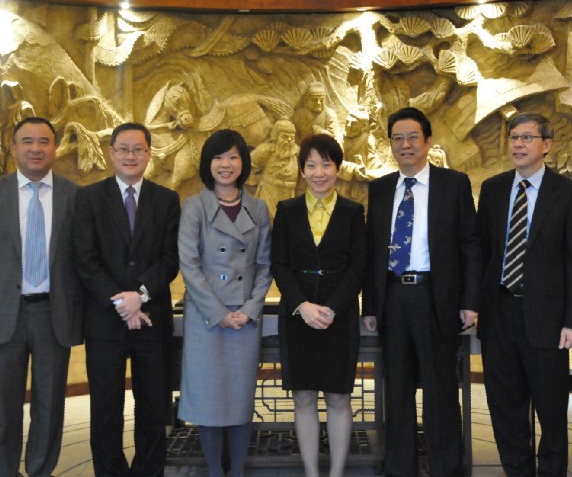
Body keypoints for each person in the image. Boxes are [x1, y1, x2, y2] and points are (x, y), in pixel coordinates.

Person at [362, 107, 481, 477]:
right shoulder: (381, 189)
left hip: (436, 297)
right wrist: (371, 306)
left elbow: (471, 245)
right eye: (397, 138)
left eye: (413, 137)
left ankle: (446, 468)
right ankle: (400, 469)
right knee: (396, 388)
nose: (405, 144)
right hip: (393, 298)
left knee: (440, 388)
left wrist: (470, 301)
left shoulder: (453, 184)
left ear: (428, 141)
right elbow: (372, 250)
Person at [0, 116, 82, 477]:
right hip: (4, 314)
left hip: (53, 314)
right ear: (13, 147)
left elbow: (84, 260)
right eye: (27, 141)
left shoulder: (74, 195)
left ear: (55, 148)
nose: (35, 148)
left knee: (50, 403)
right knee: (5, 406)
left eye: (44, 141)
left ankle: (40, 470)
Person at [475, 113, 572, 476]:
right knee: (505, 409)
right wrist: (473, 305)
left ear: (547, 145)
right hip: (499, 315)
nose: (518, 144)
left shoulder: (569, 194)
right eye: (514, 137)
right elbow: (482, 253)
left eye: (527, 137)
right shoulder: (492, 190)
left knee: (551, 411)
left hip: (548, 320)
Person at [73, 122, 180, 477]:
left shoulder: (167, 200)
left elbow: (170, 259)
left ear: (149, 154)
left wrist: (141, 296)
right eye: (123, 149)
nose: (130, 155)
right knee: (106, 408)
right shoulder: (88, 198)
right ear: (111, 153)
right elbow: (85, 260)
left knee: (153, 406)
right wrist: (122, 303)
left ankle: (148, 472)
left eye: (138, 149)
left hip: (152, 319)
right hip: (105, 322)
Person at [177, 128, 272, 477]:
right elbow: (189, 265)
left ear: (243, 162)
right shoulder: (194, 207)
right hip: (207, 318)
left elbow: (265, 266)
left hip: (244, 319)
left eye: (232, 156)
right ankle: (216, 471)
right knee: (209, 400)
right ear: (208, 163)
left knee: (239, 398)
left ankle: (238, 470)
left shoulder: (258, 208)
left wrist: (250, 310)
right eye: (218, 157)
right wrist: (219, 314)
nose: (225, 164)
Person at [272, 134, 367, 477]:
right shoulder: (287, 210)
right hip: (298, 317)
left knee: (339, 398)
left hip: (338, 317)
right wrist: (302, 305)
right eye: (311, 165)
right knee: (303, 398)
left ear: (337, 168)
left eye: (326, 164)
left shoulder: (353, 212)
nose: (319, 173)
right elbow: (279, 264)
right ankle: (312, 473)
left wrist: (333, 308)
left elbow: (359, 267)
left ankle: (337, 472)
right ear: (302, 170)